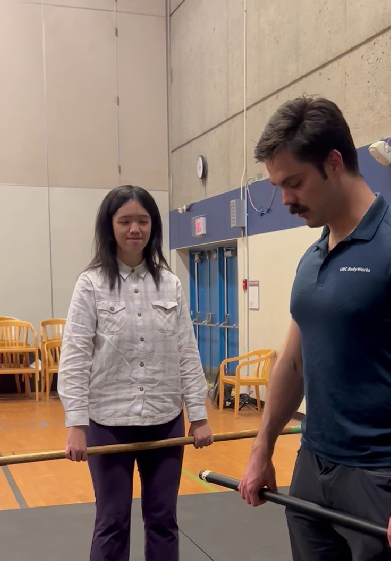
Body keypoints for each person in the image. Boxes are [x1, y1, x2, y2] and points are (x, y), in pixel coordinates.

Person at [238, 97, 391, 561]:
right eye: (278, 185)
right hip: (313, 466)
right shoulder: (312, 256)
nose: (286, 200)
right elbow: (293, 362)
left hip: (381, 476)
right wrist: (262, 448)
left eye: (294, 182)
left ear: (334, 162)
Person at [57, 185, 213, 561]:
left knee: (163, 520)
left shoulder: (170, 283)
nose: (134, 229)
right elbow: (75, 356)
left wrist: (199, 416)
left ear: (153, 226)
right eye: (125, 221)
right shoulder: (90, 284)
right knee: (111, 521)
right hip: (107, 421)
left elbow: (187, 353)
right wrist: (75, 425)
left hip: (164, 420)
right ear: (109, 226)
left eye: (142, 221)